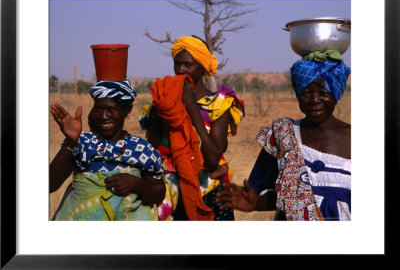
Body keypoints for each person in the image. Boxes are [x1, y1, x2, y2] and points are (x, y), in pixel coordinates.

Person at [216, 55, 351, 221]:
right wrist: (257, 203)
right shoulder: (282, 135)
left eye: (323, 93)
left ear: (336, 93)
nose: (314, 100)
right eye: (306, 93)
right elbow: (275, 194)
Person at [139, 35, 245, 220]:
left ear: (203, 68)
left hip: (208, 191)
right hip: (169, 192)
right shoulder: (165, 103)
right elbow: (154, 151)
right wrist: (164, 110)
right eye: (177, 64)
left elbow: (212, 160)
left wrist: (192, 108)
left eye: (188, 65)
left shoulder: (218, 104)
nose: (180, 70)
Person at [50, 80, 165, 221]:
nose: (104, 116)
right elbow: (50, 185)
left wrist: (136, 184)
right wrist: (70, 141)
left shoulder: (142, 150)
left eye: (112, 110)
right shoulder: (82, 143)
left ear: (127, 110)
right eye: (98, 109)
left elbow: (159, 193)